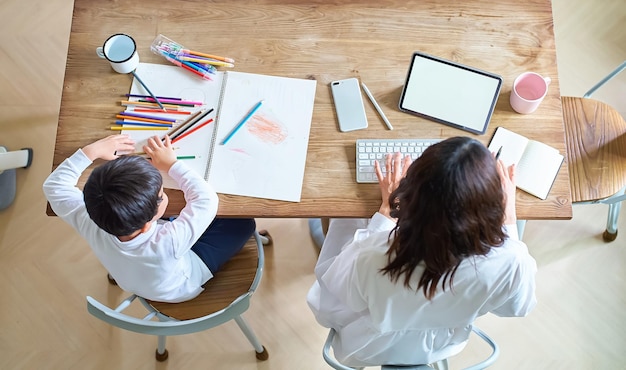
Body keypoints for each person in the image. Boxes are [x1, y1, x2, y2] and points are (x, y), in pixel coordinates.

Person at [307, 136, 537, 367]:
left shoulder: (376, 256)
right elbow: (517, 307)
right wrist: (508, 218)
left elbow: (330, 297)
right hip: (439, 346)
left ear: (412, 199)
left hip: (372, 347)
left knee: (348, 226)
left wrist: (387, 212)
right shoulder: (511, 261)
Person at [43, 134, 256, 303]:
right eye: (161, 196)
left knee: (182, 220)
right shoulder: (168, 241)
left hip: (131, 279)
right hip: (181, 287)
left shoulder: (87, 219)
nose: (162, 195)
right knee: (243, 223)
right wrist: (173, 166)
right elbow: (207, 200)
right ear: (146, 226)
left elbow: (53, 187)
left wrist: (91, 151)